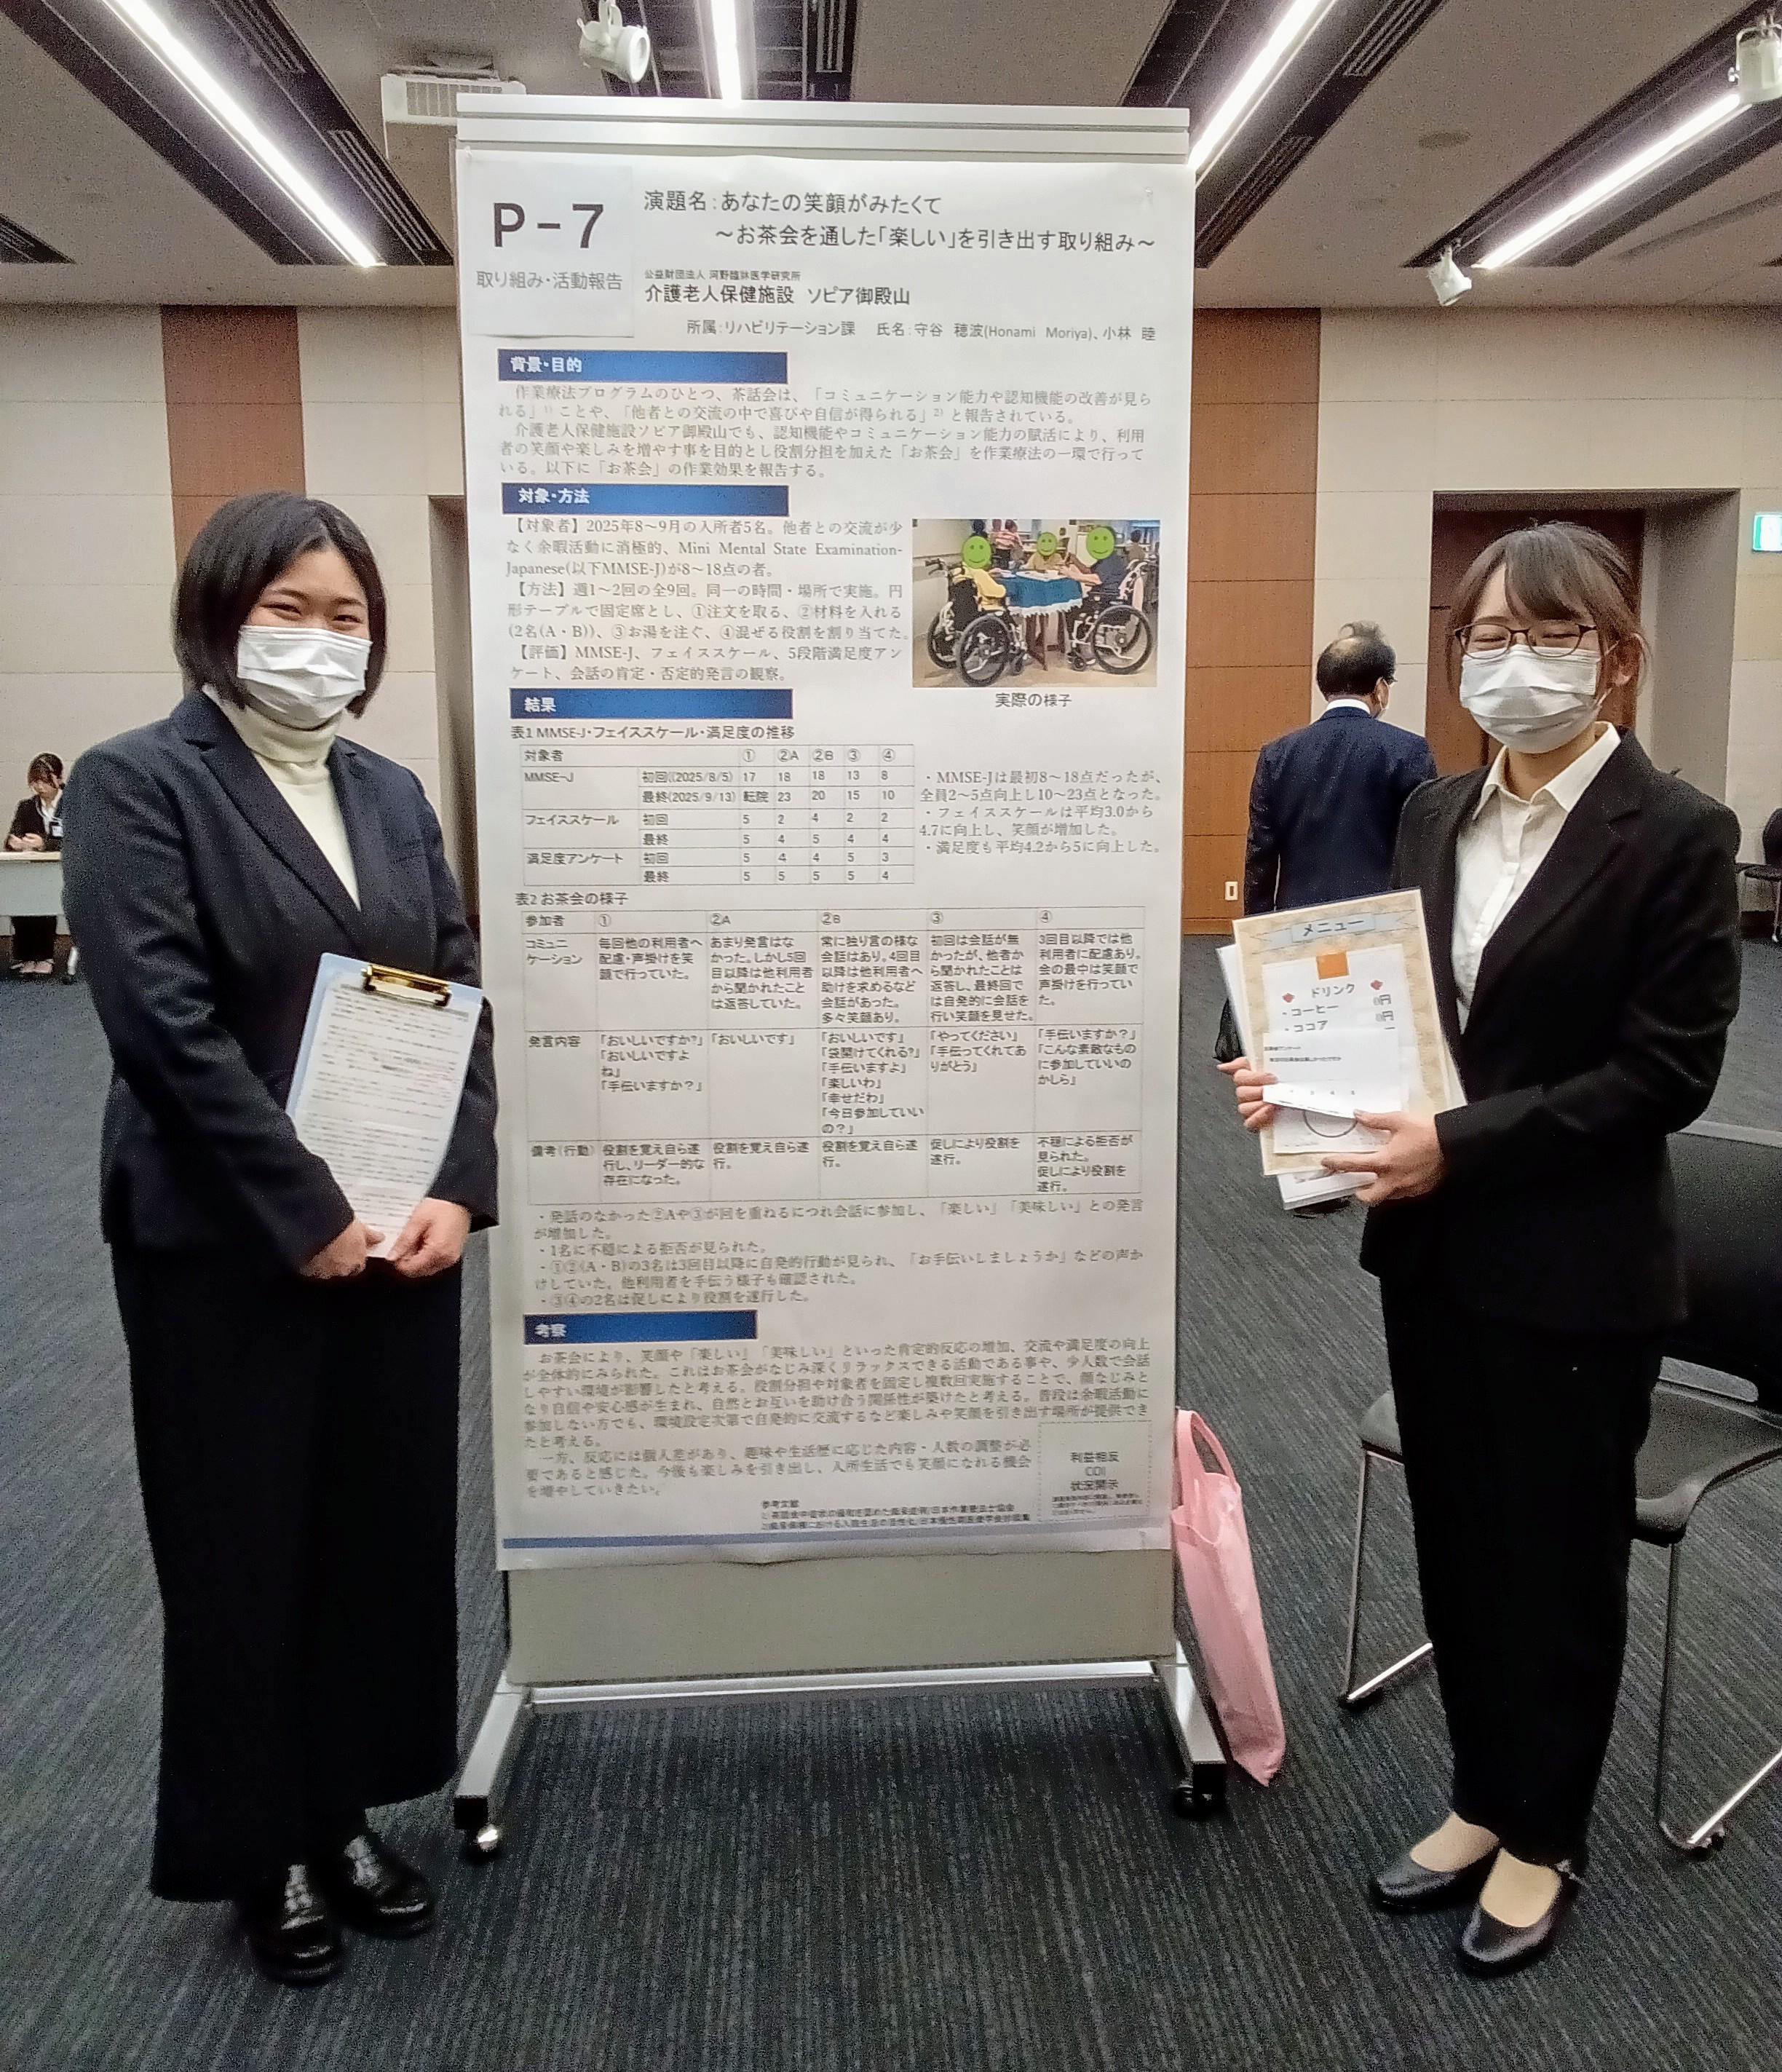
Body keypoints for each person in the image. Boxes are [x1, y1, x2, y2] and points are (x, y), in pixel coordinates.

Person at [1222, 522, 1742, 1978]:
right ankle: (1481, 1793)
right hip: (1433, 1251)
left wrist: (1458, 1143)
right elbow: (1404, 1020)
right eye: (1487, 637)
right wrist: (1302, 1086)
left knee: (1556, 1562)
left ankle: (1545, 1833)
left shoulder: (1678, 832)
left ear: (1614, 655)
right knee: (1456, 1541)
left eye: (1549, 634)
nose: (1514, 663)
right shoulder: (1433, 813)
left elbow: (1664, 1075)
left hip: (1577, 1268)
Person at [61, 491, 497, 1989]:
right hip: (229, 1244)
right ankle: (262, 1850)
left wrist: (456, 1186)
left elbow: (451, 991)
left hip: (396, 1235)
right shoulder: (137, 783)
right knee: (243, 1546)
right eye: (288, 610)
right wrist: (303, 1208)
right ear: (219, 617)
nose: (320, 640)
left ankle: (339, 1811)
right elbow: (163, 1025)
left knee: (376, 1536)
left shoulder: (391, 793)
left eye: (347, 616)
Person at [1243, 622, 1436, 914]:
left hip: (1300, 922)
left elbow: (1260, 854)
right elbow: (1424, 849)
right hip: (1382, 921)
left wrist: (1257, 925)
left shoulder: (1277, 755)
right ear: (1381, 688)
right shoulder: (1409, 750)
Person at [6, 752, 65, 975]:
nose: (40, 788)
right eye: (35, 783)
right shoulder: (27, 807)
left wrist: (44, 844)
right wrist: (16, 843)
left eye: (44, 782)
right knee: (22, 898)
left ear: (58, 779)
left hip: (64, 869)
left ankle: (44, 955)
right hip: (32, 868)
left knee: (44, 901)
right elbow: (12, 836)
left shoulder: (73, 804)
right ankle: (26, 956)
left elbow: (80, 839)